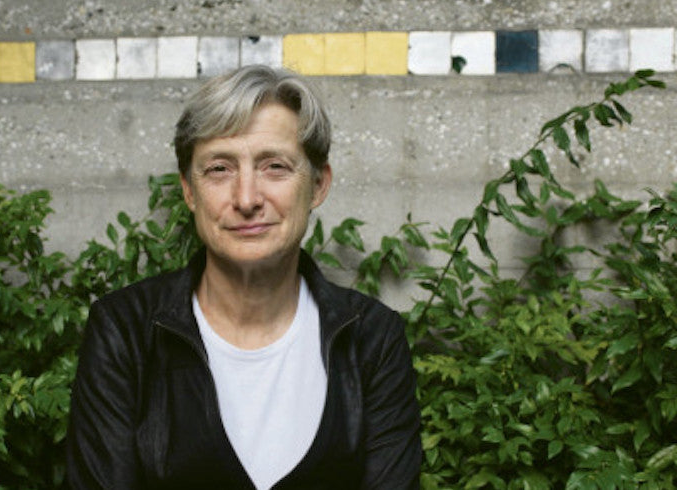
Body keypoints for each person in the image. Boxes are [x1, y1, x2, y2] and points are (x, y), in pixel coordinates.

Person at [66, 65, 422, 489]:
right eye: (220, 169)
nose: (247, 198)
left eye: (275, 166)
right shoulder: (124, 331)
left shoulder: (372, 339)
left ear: (318, 185)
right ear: (189, 190)